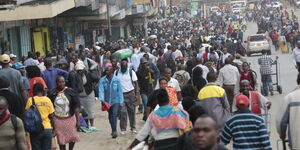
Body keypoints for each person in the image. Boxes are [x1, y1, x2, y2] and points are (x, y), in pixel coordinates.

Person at [48, 76, 80, 150]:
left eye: (63, 82)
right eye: (59, 82)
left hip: (70, 118)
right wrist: (51, 121)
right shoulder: (52, 93)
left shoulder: (70, 91)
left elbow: (76, 106)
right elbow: (50, 107)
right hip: (58, 120)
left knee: (72, 136)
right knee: (61, 138)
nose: (61, 83)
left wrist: (78, 120)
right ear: (56, 83)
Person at [25, 83, 55, 150]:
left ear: (34, 91)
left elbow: (27, 115)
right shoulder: (48, 100)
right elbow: (52, 116)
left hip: (35, 129)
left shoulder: (30, 100)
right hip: (47, 128)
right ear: (42, 90)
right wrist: (54, 129)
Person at [99, 66, 124, 138]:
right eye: (106, 70)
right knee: (110, 117)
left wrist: (121, 102)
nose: (106, 72)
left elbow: (120, 91)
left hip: (115, 100)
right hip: (107, 102)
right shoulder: (102, 80)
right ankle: (113, 128)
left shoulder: (117, 80)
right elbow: (101, 90)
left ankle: (114, 131)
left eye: (108, 70)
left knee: (114, 114)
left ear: (112, 71)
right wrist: (102, 100)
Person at [115, 59, 139, 135]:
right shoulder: (116, 72)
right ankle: (123, 128)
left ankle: (133, 127)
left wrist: (136, 94)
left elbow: (136, 83)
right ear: (120, 66)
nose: (123, 69)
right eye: (122, 68)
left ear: (127, 67)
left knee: (132, 111)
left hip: (130, 94)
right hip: (121, 95)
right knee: (122, 112)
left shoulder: (131, 72)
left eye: (124, 68)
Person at [276, 73, 300, 149]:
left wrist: (282, 134)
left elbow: (281, 122)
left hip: (297, 142)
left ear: (297, 81)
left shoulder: (290, 98)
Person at [74, 63, 98, 128]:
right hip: (80, 96)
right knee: (84, 111)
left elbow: (97, 79)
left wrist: (93, 86)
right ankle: (86, 125)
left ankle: (92, 125)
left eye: (81, 70)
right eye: (78, 70)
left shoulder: (88, 74)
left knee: (90, 110)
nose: (80, 72)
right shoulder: (75, 76)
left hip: (89, 94)